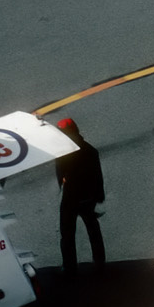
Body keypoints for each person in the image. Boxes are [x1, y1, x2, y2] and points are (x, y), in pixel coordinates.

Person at [55, 117, 105, 275]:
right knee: (93, 229)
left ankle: (69, 266)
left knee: (67, 233)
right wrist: (98, 196)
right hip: (87, 197)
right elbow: (98, 176)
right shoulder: (90, 151)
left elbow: (60, 174)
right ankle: (99, 262)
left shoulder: (63, 151)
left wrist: (62, 181)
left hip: (70, 197)